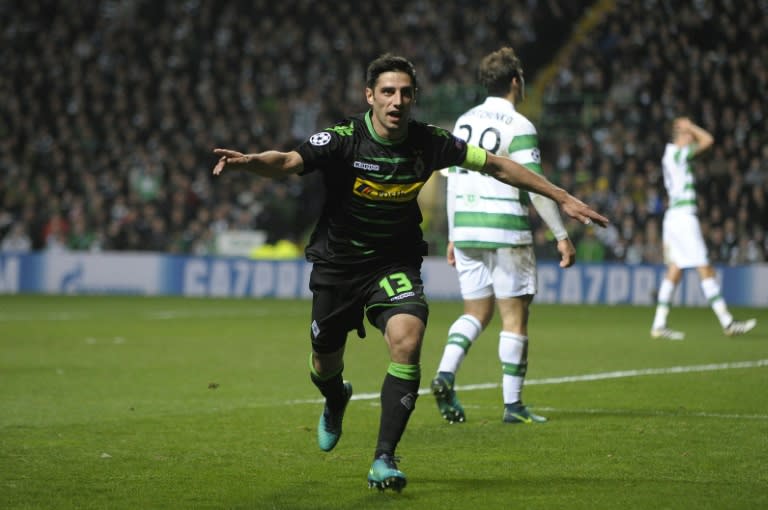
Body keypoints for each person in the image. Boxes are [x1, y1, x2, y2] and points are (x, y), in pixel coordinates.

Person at [211, 54, 608, 492]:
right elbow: (287, 162)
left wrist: (560, 195)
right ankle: (334, 395)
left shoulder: (430, 142)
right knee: (325, 360)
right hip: (339, 266)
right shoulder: (343, 138)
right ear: (370, 96)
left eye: (404, 93)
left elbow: (497, 164)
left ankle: (384, 457)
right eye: (387, 92)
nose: (396, 101)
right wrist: (249, 162)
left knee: (408, 339)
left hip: (393, 263)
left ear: (414, 97)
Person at [431, 47, 576, 426]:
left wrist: (452, 234)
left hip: (465, 227)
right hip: (505, 229)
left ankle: (446, 373)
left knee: (475, 312)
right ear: (515, 81)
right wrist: (561, 234)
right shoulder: (520, 125)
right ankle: (513, 406)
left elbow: (453, 180)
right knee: (514, 316)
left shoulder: (462, 123)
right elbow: (536, 187)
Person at [650, 117, 756, 340]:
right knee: (704, 267)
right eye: (688, 134)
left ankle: (659, 324)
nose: (692, 138)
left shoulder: (672, 156)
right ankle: (727, 322)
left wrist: (688, 129)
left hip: (674, 219)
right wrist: (692, 127)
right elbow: (708, 140)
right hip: (683, 217)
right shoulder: (675, 154)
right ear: (680, 134)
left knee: (675, 269)